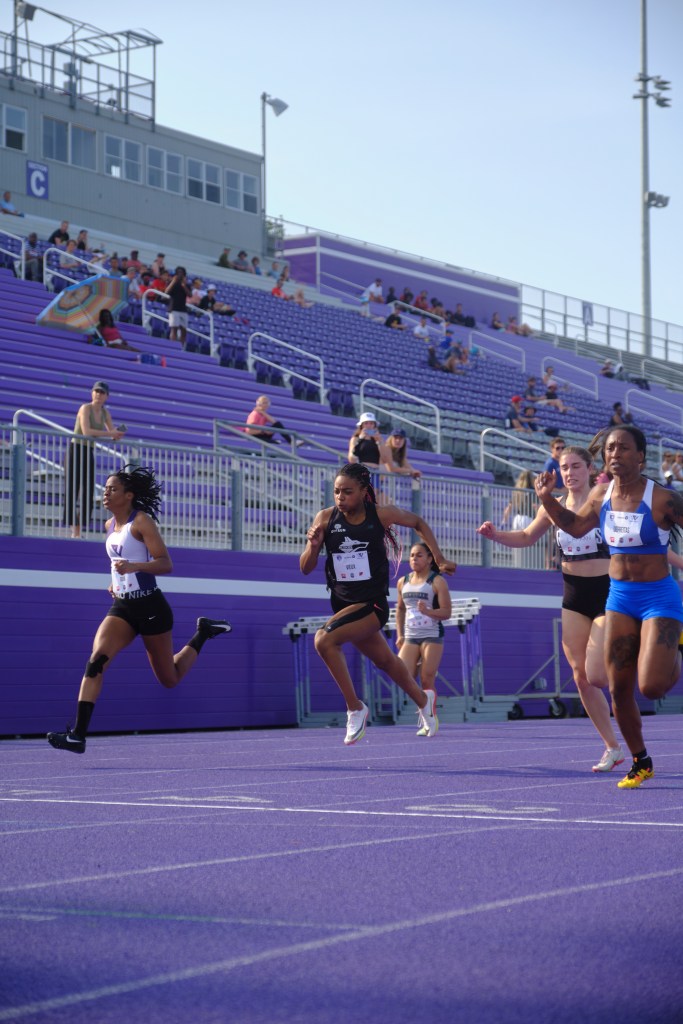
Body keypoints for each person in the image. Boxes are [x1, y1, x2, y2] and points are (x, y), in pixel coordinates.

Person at [533, 425, 683, 788]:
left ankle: (673, 653)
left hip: (659, 598)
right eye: (610, 448)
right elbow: (574, 525)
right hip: (619, 599)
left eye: (623, 448)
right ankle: (640, 760)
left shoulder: (662, 498)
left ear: (641, 456)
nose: (614, 453)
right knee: (617, 688)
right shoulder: (601, 494)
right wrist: (546, 498)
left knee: (651, 687)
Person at [48, 466, 231, 754]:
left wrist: (134, 567)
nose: (106, 493)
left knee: (169, 678)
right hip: (123, 606)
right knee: (96, 660)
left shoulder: (141, 522)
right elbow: (117, 562)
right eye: (105, 488)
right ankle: (78, 735)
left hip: (150, 606)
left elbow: (164, 563)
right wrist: (115, 582)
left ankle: (203, 633)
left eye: (112, 489)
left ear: (129, 495)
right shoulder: (110, 526)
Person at [479, 445, 625, 771]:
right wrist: (496, 534)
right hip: (573, 596)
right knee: (580, 677)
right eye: (564, 467)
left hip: (606, 592)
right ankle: (612, 746)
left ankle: (627, 675)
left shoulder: (602, 501)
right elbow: (527, 537)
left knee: (597, 673)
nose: (570, 473)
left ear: (589, 469)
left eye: (576, 466)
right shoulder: (553, 506)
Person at [300, 463, 456, 744]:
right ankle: (424, 702)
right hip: (345, 608)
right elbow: (305, 568)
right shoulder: (325, 519)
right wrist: (313, 546)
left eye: (347, 492)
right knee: (387, 662)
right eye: (336, 492)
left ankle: (355, 708)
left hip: (372, 606)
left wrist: (440, 558)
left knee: (323, 640)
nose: (340, 497)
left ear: (363, 491)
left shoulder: (381, 515)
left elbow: (418, 522)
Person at [396, 542, 452, 735]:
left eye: (419, 555)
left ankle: (430, 719)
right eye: (411, 555)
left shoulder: (437, 582)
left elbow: (447, 612)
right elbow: (400, 609)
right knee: (403, 676)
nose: (414, 559)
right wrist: (400, 634)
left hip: (432, 635)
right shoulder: (403, 582)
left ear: (429, 559)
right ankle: (426, 707)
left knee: (426, 680)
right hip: (411, 636)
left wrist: (427, 611)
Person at [64, 382, 127, 539]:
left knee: (88, 490)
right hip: (76, 450)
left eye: (101, 392)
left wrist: (117, 434)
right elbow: (86, 431)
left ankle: (80, 528)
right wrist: (110, 433)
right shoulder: (85, 408)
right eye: (96, 391)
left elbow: (111, 433)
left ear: (106, 396)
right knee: (73, 489)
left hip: (88, 451)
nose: (98, 394)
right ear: (92, 393)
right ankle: (75, 532)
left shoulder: (105, 413)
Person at [165, 266, 191, 345]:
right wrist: (173, 281)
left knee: (184, 330)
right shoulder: (172, 283)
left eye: (182, 273)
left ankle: (181, 347)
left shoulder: (186, 285)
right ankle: (172, 346)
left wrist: (184, 286)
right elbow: (166, 292)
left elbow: (190, 295)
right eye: (178, 273)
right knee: (174, 329)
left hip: (183, 309)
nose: (180, 274)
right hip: (174, 308)